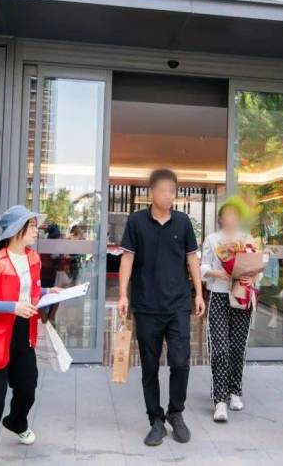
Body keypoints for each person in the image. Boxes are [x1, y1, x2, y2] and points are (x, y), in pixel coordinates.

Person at [0, 205, 63, 466]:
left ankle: (16, 421)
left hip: (23, 331)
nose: (36, 230)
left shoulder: (33, 258)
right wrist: (12, 307)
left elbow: (28, 290)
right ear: (16, 230)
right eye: (31, 226)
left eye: (35, 225)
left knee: (28, 386)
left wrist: (48, 291)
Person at [117, 168, 205, 446]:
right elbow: (127, 259)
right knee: (150, 367)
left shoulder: (183, 222)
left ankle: (175, 413)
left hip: (178, 304)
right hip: (146, 306)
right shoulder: (136, 221)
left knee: (180, 363)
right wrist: (122, 295)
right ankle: (155, 419)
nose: (169, 196)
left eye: (173, 191)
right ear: (151, 193)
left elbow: (192, 259)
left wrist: (198, 293)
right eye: (164, 191)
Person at [200, 198, 257, 422]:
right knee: (220, 348)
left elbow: (256, 267)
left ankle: (235, 391)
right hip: (219, 296)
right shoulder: (212, 239)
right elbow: (202, 266)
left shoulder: (247, 239)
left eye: (234, 215)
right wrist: (218, 274)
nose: (230, 218)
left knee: (237, 347)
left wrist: (252, 276)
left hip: (241, 296)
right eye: (227, 215)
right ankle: (220, 400)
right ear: (221, 218)